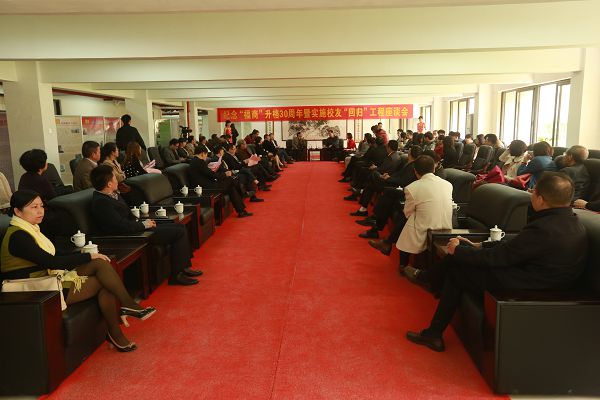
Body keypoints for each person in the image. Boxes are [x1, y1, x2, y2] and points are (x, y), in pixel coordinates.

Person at [405, 172, 587, 352]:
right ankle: (429, 283)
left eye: (533, 192)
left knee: (457, 271)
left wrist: (458, 251)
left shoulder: (544, 228)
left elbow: (501, 257)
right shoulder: (571, 221)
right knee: (460, 258)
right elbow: (517, 247)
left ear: (540, 199)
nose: (531, 195)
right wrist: (479, 245)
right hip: (539, 275)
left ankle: (432, 326)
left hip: (537, 284)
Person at [1, 190, 155, 352]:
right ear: (18, 211)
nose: (40, 211)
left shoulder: (30, 229)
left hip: (48, 277)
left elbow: (54, 254)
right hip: (36, 289)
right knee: (103, 281)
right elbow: (51, 262)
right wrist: (86, 256)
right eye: (34, 207)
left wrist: (84, 254)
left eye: (41, 206)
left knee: (100, 263)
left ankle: (125, 309)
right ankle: (119, 323)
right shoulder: (18, 236)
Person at [89, 166, 202, 286]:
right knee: (178, 232)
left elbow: (128, 216)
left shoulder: (112, 195)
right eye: (114, 178)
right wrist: (143, 225)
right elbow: (120, 226)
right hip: (131, 236)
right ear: (109, 184)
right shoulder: (101, 202)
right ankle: (176, 276)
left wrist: (145, 222)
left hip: (135, 228)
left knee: (179, 226)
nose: (117, 180)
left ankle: (183, 268)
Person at [396, 155, 453, 269]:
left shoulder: (412, 187)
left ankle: (403, 265)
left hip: (426, 228)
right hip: (447, 226)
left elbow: (408, 213)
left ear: (415, 171)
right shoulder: (448, 184)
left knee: (407, 225)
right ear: (434, 169)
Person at [189, 146, 253, 218]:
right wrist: (225, 174)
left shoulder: (195, 161)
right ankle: (243, 194)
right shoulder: (199, 162)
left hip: (206, 184)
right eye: (206, 154)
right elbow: (211, 175)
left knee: (231, 187)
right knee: (230, 180)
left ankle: (241, 211)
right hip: (206, 188)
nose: (206, 157)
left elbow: (208, 173)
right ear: (202, 153)